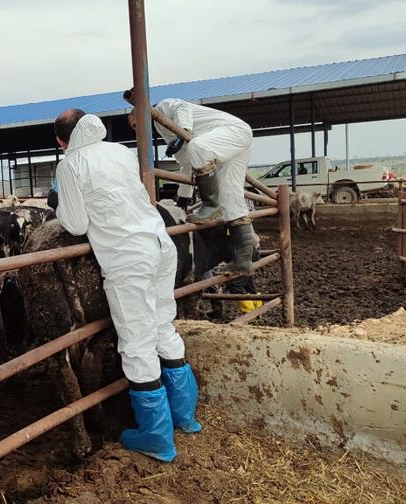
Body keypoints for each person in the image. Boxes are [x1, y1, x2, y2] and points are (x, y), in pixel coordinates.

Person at [47, 109, 201, 463]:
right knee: (163, 326)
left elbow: (74, 222)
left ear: (60, 140)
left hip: (127, 257)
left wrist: (58, 204)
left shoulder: (70, 164)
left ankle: (156, 436)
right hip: (160, 245)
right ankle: (185, 418)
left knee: (136, 342)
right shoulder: (120, 151)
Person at [153, 98, 255, 275]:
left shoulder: (161, 107)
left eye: (134, 122)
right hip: (233, 139)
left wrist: (184, 130)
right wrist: (183, 197)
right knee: (231, 196)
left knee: (197, 147)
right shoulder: (161, 129)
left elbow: (181, 106)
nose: (135, 127)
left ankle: (210, 205)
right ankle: (243, 260)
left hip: (232, 130)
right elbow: (187, 163)